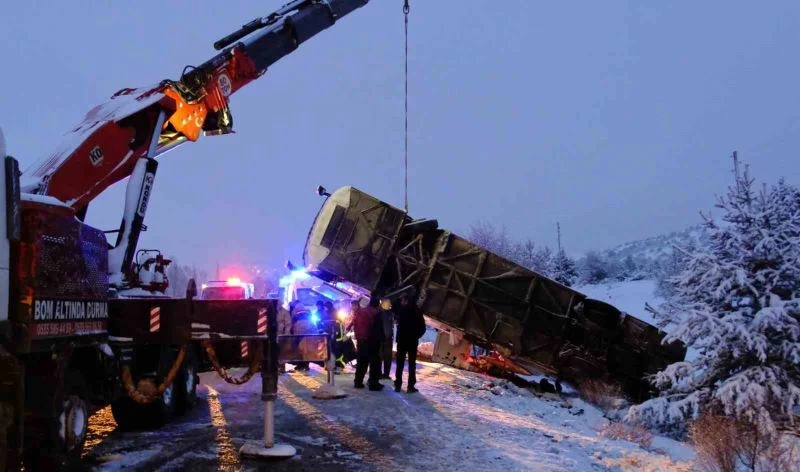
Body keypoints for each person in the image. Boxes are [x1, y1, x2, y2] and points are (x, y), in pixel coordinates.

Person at [394, 292, 426, 393]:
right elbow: (423, 328)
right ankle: (410, 386)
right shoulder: (417, 312)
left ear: (406, 301)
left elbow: (394, 308)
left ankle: (398, 385)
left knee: (400, 364)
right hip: (412, 342)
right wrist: (416, 336)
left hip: (402, 341)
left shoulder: (402, 311)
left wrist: (398, 299)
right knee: (412, 364)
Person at [352, 296, 384, 391]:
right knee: (374, 363)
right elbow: (376, 328)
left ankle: (358, 382)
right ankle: (373, 384)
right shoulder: (374, 313)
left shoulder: (359, 312)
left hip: (361, 341)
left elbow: (355, 325)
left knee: (361, 362)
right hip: (371, 341)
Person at [290, 302, 315, 372]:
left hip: (299, 334)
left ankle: (300, 365)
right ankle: (306, 365)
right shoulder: (309, 314)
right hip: (308, 335)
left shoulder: (295, 316)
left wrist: (293, 333)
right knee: (307, 350)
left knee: (299, 350)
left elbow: (293, 325)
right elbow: (313, 325)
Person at [378, 298, 394, 379]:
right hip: (381, 339)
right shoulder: (379, 313)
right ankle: (379, 373)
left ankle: (386, 374)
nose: (390, 305)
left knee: (388, 357)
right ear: (383, 303)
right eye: (389, 303)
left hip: (388, 338)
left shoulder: (390, 313)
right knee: (379, 356)